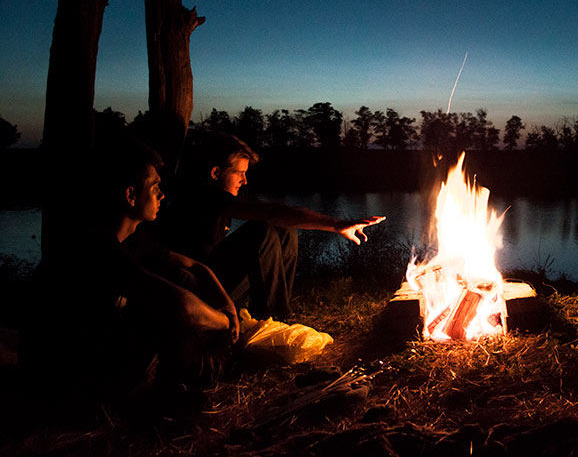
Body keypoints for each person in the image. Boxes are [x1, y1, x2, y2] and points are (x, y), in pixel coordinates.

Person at [20, 138, 239, 407]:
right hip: (65, 383)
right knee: (169, 305)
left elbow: (195, 266)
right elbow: (182, 306)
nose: (162, 195)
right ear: (130, 195)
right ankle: (179, 385)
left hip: (90, 358)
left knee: (184, 279)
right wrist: (226, 322)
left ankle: (193, 375)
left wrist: (227, 305)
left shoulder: (131, 239)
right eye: (155, 187)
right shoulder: (95, 247)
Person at [162, 132, 385, 319]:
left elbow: (278, 216)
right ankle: (274, 317)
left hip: (216, 285)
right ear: (215, 173)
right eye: (239, 173)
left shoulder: (223, 199)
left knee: (283, 229)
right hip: (195, 294)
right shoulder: (203, 198)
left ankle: (277, 314)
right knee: (261, 231)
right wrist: (336, 225)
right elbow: (271, 212)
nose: (245, 181)